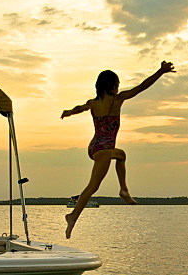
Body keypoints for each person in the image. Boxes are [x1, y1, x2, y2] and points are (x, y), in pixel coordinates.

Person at [60, 61, 176, 239]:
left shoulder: (93, 103)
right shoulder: (117, 100)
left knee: (121, 155)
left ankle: (124, 190)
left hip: (94, 147)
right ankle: (73, 216)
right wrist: (161, 71)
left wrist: (68, 112)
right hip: (104, 150)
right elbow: (143, 86)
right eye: (117, 85)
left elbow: (79, 108)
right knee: (93, 186)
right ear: (113, 87)